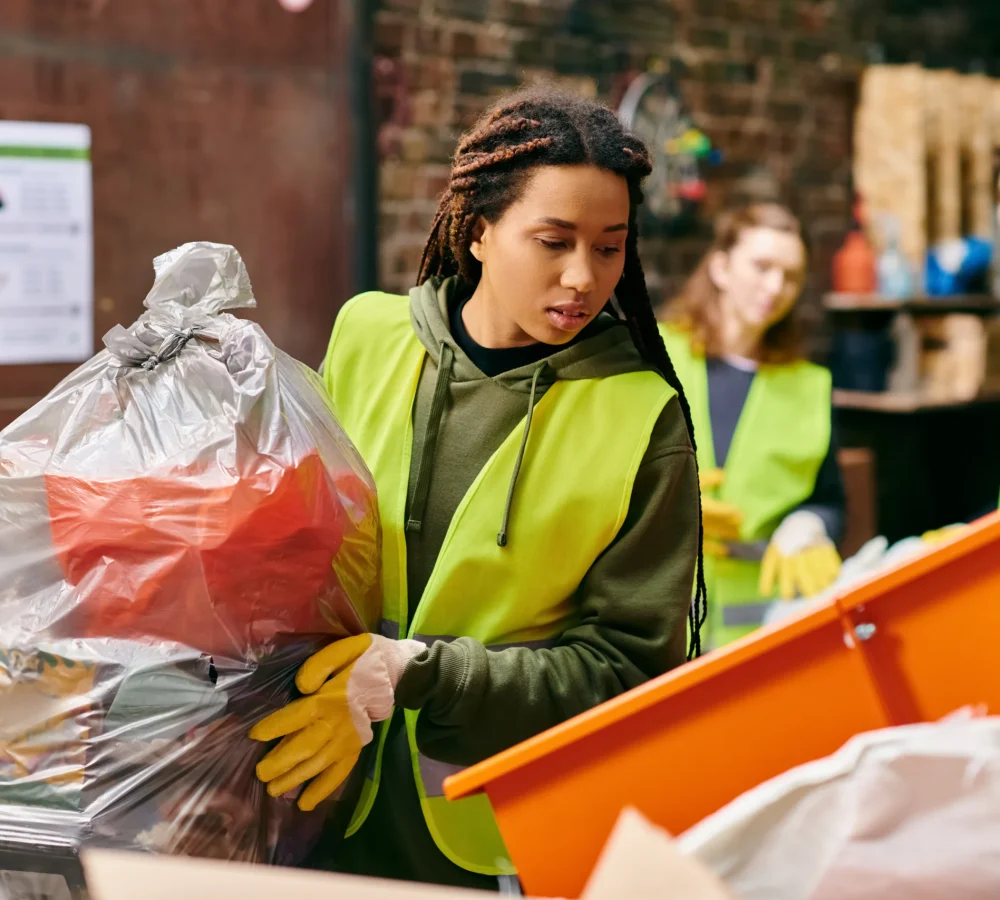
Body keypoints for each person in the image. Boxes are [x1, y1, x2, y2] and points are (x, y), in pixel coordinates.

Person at [248, 87, 707, 890]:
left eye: (610, 248)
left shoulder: (643, 418)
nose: (583, 276)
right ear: (481, 229)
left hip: (490, 838)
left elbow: (628, 674)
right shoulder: (367, 336)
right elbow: (300, 533)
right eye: (554, 240)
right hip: (310, 797)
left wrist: (418, 670)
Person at [658, 203, 845, 650]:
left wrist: (808, 525)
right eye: (762, 267)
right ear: (720, 267)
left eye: (791, 275)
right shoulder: (654, 356)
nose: (775, 286)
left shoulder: (808, 386)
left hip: (758, 629)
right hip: (657, 623)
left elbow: (830, 500)